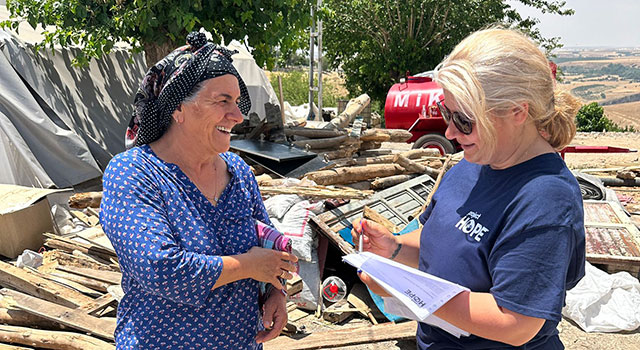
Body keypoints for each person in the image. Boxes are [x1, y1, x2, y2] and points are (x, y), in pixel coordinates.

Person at [353, 27, 585, 349]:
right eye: (446, 113)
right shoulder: (472, 164)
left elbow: (515, 322)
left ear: (518, 111)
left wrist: (405, 289)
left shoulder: (546, 199)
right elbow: (446, 240)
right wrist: (393, 248)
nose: (449, 132)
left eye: (464, 120)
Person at [100, 32, 298, 349]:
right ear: (178, 108)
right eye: (223, 101)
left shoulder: (239, 173)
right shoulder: (133, 174)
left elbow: (269, 243)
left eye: (237, 102)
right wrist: (248, 266)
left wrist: (276, 291)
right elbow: (160, 269)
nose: (238, 116)